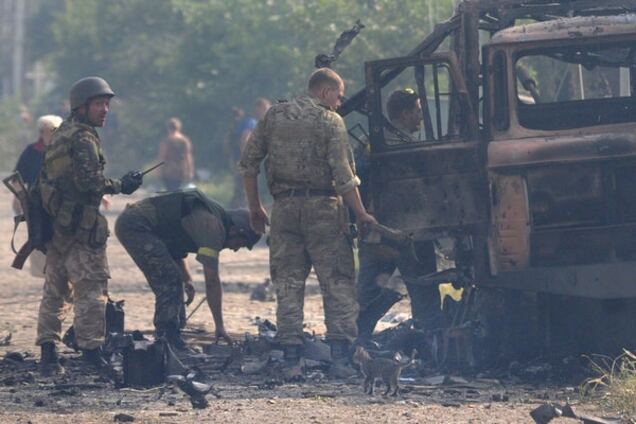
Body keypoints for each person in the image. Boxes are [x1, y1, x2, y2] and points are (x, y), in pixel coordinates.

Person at [239, 68, 377, 378]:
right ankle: (341, 359)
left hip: (284, 209)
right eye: (339, 97)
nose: (339, 104)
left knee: (288, 283)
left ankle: (291, 359)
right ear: (326, 92)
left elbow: (248, 164)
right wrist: (362, 213)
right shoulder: (330, 121)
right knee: (337, 281)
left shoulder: (274, 116)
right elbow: (343, 177)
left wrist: (255, 208)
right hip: (323, 210)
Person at [36, 76, 144, 375]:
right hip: (82, 228)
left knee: (54, 290)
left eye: (107, 104)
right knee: (92, 290)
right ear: (82, 107)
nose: (105, 110)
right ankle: (92, 354)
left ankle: (48, 354)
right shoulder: (83, 137)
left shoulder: (59, 134)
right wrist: (122, 185)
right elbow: (90, 182)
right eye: (99, 104)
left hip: (57, 226)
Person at [115, 189, 262, 349]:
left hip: (144, 225)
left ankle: (173, 333)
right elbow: (212, 281)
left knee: (174, 277)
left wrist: (187, 280)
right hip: (136, 225)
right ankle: (166, 336)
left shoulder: (215, 219)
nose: (235, 249)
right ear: (235, 230)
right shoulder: (212, 228)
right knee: (169, 279)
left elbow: (175, 248)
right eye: (240, 244)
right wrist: (219, 326)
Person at [356, 89, 440, 341]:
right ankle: (428, 343)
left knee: (367, 292)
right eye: (416, 111)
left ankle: (353, 345)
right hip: (407, 232)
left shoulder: (372, 143)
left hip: (381, 232)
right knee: (423, 292)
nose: (420, 117)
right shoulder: (391, 146)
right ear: (404, 114)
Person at [12, 115, 63, 277]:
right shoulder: (32, 152)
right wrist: (20, 198)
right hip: (37, 205)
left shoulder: (64, 151)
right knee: (39, 237)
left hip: (61, 204)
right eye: (50, 131)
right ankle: (47, 277)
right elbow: (17, 178)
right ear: (42, 132)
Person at [229, 99, 271, 207]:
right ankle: (243, 212)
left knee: (240, 187)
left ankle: (239, 210)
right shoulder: (251, 122)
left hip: (237, 159)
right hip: (244, 160)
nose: (267, 112)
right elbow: (245, 137)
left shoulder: (244, 122)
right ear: (259, 108)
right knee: (246, 188)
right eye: (265, 109)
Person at [158, 117, 194, 191]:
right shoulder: (184, 140)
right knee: (177, 190)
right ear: (179, 127)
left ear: (168, 128)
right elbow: (188, 156)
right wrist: (190, 171)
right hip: (180, 170)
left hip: (167, 170)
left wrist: (159, 170)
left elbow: (162, 156)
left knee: (169, 190)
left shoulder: (166, 140)